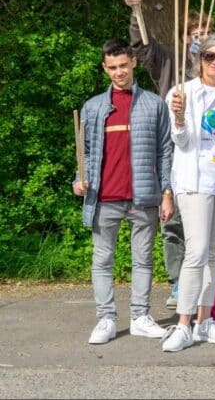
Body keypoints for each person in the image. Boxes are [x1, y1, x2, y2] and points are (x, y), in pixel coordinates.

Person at [75, 39, 174, 345]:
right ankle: (105, 318)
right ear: (105, 69)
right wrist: (78, 179)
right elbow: (85, 153)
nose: (119, 72)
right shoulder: (93, 107)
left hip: (143, 197)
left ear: (133, 62)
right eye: (112, 67)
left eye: (123, 65)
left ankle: (140, 317)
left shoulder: (154, 104)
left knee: (142, 260)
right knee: (102, 260)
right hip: (103, 198)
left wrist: (167, 191)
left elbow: (165, 152)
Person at [125, 0, 212, 308]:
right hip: (176, 152)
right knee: (173, 219)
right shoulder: (170, 62)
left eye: (206, 34)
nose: (200, 40)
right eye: (195, 34)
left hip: (209, 152)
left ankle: (204, 280)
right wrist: (136, 15)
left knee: (206, 220)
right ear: (186, 38)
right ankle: (178, 282)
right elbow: (142, 47)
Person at [162, 33, 215, 352]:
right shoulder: (182, 92)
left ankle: (205, 321)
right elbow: (180, 142)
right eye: (210, 56)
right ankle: (183, 324)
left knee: (214, 253)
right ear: (199, 59)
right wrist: (180, 119)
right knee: (196, 252)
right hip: (194, 182)